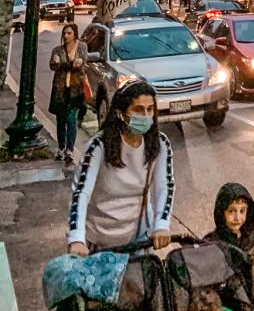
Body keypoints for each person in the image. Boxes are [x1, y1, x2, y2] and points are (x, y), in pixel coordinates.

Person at [67, 80, 174, 256]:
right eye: (138, 110)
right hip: (97, 243)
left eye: (150, 109)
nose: (145, 116)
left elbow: (165, 186)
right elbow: (81, 192)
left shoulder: (160, 144)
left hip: (137, 241)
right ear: (120, 113)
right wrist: (76, 238)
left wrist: (161, 224)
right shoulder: (98, 146)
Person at [203, 183, 254, 297]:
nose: (237, 218)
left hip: (246, 298)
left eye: (242, 211)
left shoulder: (250, 239)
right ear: (221, 212)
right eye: (231, 211)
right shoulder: (211, 242)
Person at [49, 22, 88, 164]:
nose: (66, 36)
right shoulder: (57, 49)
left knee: (71, 120)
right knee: (60, 120)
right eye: (64, 33)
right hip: (60, 89)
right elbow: (53, 65)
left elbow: (81, 64)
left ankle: (69, 150)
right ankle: (61, 148)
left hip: (75, 89)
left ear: (75, 34)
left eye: (69, 33)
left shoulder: (82, 47)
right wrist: (70, 65)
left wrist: (64, 65)